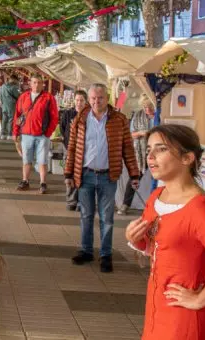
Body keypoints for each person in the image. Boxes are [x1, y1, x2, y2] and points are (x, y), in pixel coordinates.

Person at [125, 124, 205, 340]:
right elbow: (162, 246)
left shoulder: (200, 208)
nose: (150, 156)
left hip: (186, 318)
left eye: (161, 149)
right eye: (149, 149)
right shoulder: (157, 196)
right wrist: (135, 239)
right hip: (157, 306)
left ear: (187, 158)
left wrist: (199, 300)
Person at [64, 83, 139, 273]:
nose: (97, 101)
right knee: (86, 216)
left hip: (108, 176)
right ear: (89, 100)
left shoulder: (119, 120)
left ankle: (106, 254)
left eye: (100, 98)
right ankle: (86, 251)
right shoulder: (80, 119)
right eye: (93, 98)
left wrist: (134, 173)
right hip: (85, 174)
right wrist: (68, 173)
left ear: (107, 99)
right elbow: (72, 148)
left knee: (107, 218)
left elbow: (128, 149)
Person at [12, 74, 59, 194]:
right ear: (30, 83)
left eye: (39, 82)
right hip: (26, 134)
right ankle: (25, 181)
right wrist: (15, 132)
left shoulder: (49, 98)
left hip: (42, 135)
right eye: (34, 82)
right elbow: (17, 115)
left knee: (42, 161)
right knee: (26, 159)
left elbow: (54, 117)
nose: (36, 85)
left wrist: (48, 133)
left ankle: (43, 183)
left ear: (43, 84)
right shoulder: (23, 97)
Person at [118, 94, 155, 215]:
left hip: (157, 152)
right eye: (145, 107)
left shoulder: (160, 116)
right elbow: (130, 134)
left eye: (150, 107)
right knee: (134, 178)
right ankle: (125, 204)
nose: (147, 110)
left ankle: (155, 207)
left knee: (158, 179)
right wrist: (141, 133)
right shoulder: (138, 115)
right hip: (140, 152)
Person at [58, 90, 88, 211]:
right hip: (69, 149)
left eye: (81, 100)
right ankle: (71, 200)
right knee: (69, 174)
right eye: (77, 100)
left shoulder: (89, 115)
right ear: (74, 100)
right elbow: (63, 129)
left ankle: (82, 201)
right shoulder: (67, 114)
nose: (79, 103)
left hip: (85, 150)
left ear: (85, 102)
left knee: (83, 175)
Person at [0, 74, 21, 141]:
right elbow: (18, 96)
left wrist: (2, 103)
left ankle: (3, 134)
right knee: (11, 120)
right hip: (12, 105)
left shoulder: (2, 86)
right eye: (16, 80)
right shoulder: (14, 87)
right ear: (14, 79)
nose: (17, 82)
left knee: (4, 120)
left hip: (4, 105)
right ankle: (9, 134)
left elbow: (0, 96)